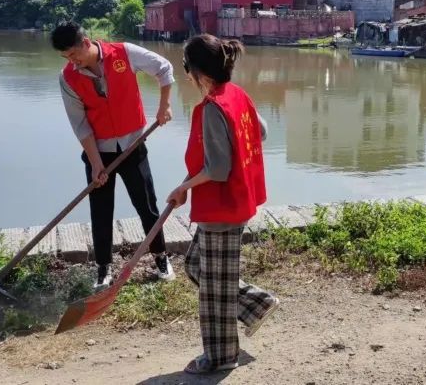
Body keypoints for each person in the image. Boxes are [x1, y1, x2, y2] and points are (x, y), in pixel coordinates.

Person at [165, 34, 278, 374]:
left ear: (198, 71)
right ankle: (257, 303)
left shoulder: (212, 108)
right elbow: (262, 132)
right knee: (197, 267)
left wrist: (183, 186)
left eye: (186, 67)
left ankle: (220, 356)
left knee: (213, 292)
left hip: (223, 207)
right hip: (235, 201)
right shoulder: (237, 95)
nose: (186, 74)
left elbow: (217, 169)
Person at [51, 21, 176, 288]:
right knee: (101, 210)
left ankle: (161, 258)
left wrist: (164, 105)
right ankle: (103, 268)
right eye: (66, 58)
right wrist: (96, 164)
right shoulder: (68, 78)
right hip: (99, 153)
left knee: (147, 206)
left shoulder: (124, 52)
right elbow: (80, 124)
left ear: (85, 43)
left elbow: (164, 68)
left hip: (133, 146)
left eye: (74, 54)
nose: (72, 62)